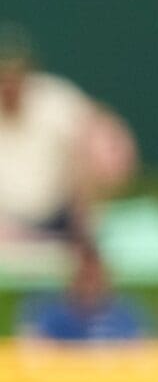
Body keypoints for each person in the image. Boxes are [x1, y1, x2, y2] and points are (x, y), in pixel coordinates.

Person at [0, 26, 136, 241]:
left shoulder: (57, 100)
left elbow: (106, 146)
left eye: (14, 73)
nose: (8, 84)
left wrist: (87, 201)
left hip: (62, 216)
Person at [16, 240, 153, 344]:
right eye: (84, 276)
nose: (90, 284)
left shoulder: (127, 312)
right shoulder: (51, 313)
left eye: (94, 276)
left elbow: (143, 348)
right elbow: (35, 347)